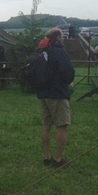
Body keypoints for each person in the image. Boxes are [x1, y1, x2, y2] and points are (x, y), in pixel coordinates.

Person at [37, 28, 75, 168]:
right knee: (62, 126)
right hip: (57, 94)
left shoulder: (41, 51)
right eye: (62, 36)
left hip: (43, 94)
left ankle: (46, 157)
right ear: (58, 38)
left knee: (46, 126)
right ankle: (58, 159)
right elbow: (69, 73)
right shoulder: (59, 51)